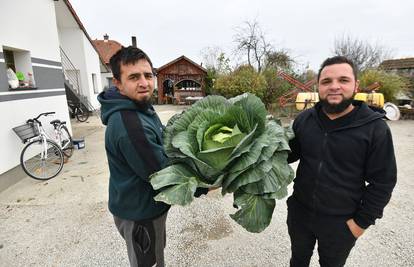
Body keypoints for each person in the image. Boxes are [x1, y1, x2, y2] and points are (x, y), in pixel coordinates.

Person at [286, 56, 397, 267]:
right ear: (318, 87)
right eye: (326, 81)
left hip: (341, 223)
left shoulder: (375, 129)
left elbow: (383, 183)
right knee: (298, 260)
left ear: (356, 86)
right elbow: (286, 155)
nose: (334, 86)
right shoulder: (305, 119)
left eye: (343, 80)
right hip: (300, 213)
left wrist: (359, 224)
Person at [98, 46, 169, 267]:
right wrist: (206, 184)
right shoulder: (130, 125)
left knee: (155, 254)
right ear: (117, 83)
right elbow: (164, 176)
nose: (144, 83)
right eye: (134, 77)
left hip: (143, 206)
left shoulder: (140, 107)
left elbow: (163, 139)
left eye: (148, 75)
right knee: (148, 263)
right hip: (141, 214)